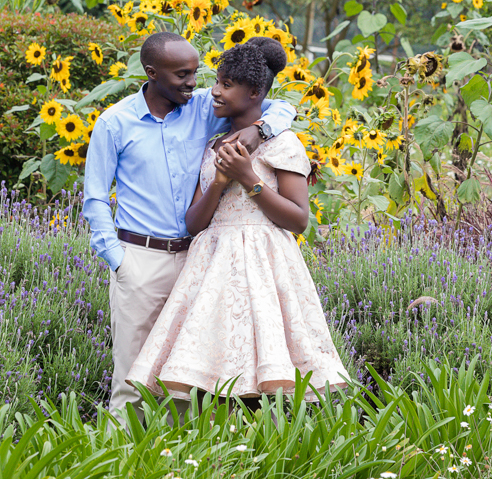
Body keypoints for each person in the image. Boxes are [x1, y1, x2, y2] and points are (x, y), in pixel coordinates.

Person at [82, 31, 297, 418]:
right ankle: (119, 464)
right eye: (182, 74)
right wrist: (118, 261)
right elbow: (95, 197)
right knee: (133, 380)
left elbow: (279, 104)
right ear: (151, 72)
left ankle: (176, 464)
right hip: (141, 260)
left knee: (186, 381)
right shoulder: (115, 123)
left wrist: (259, 129)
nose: (194, 83)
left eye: (196, 72)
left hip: (200, 263)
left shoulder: (202, 107)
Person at [125, 38, 349, 403]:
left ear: (255, 92)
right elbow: (195, 224)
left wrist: (249, 178)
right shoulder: (214, 145)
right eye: (216, 81)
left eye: (227, 85)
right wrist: (220, 180)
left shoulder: (283, 143)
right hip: (211, 267)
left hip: (264, 267)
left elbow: (298, 220)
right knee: (215, 370)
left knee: (265, 374)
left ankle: (267, 447)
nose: (214, 91)